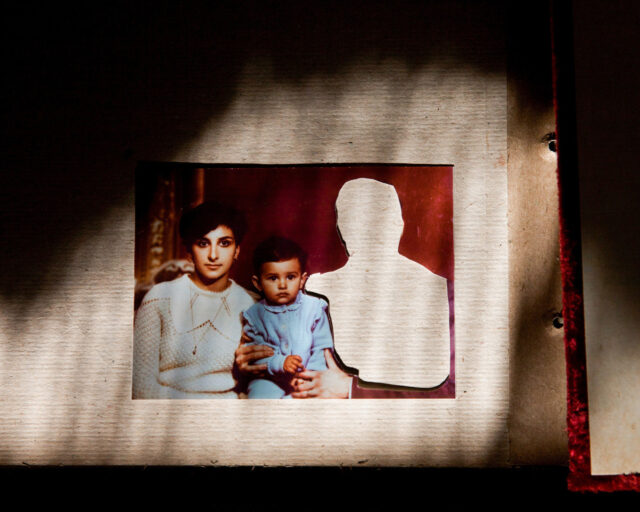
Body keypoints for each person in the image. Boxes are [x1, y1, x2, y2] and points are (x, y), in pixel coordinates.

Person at [132, 201, 256, 399]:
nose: (213, 255)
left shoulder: (249, 305)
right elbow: (141, 388)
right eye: (203, 243)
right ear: (189, 252)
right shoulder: (158, 298)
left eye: (224, 243)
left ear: (237, 250)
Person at [242, 236, 334, 398]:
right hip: (269, 379)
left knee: (308, 400)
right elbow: (254, 355)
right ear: (258, 284)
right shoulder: (254, 315)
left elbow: (322, 348)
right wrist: (280, 363)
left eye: (290, 277)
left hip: (307, 376)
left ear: (302, 280)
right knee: (259, 395)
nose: (282, 285)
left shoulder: (314, 308)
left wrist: (309, 376)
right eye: (273, 278)